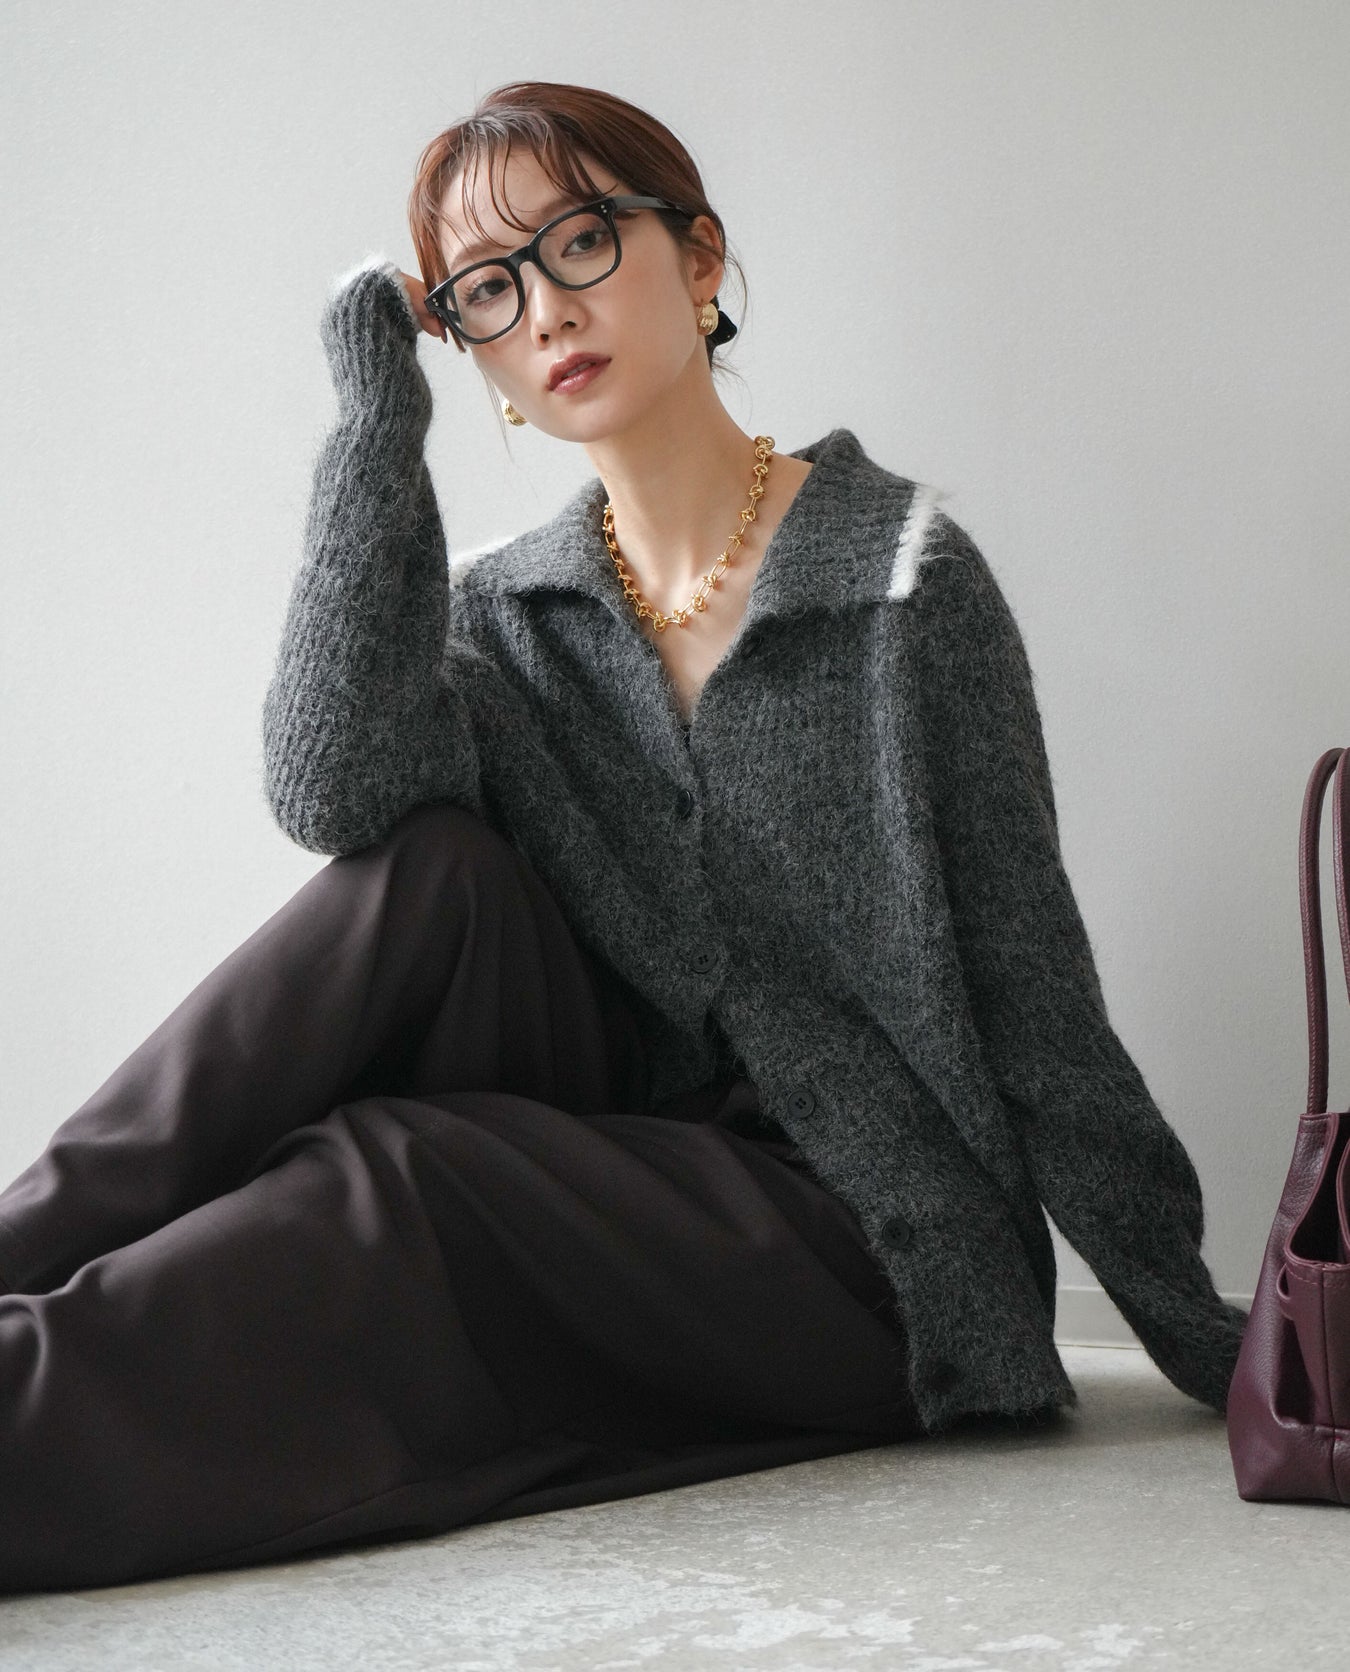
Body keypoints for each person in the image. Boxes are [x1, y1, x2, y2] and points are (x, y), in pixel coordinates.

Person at [0, 81, 1247, 1597]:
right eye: (487, 288)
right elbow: (330, 792)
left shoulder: (900, 581)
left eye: (580, 240)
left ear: (699, 256)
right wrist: (378, 428)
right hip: (619, 1146)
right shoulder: (506, 613)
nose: (545, 308)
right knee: (427, 875)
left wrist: (1208, 1337)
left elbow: (1033, 991)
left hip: (866, 1235)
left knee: (398, 1171)